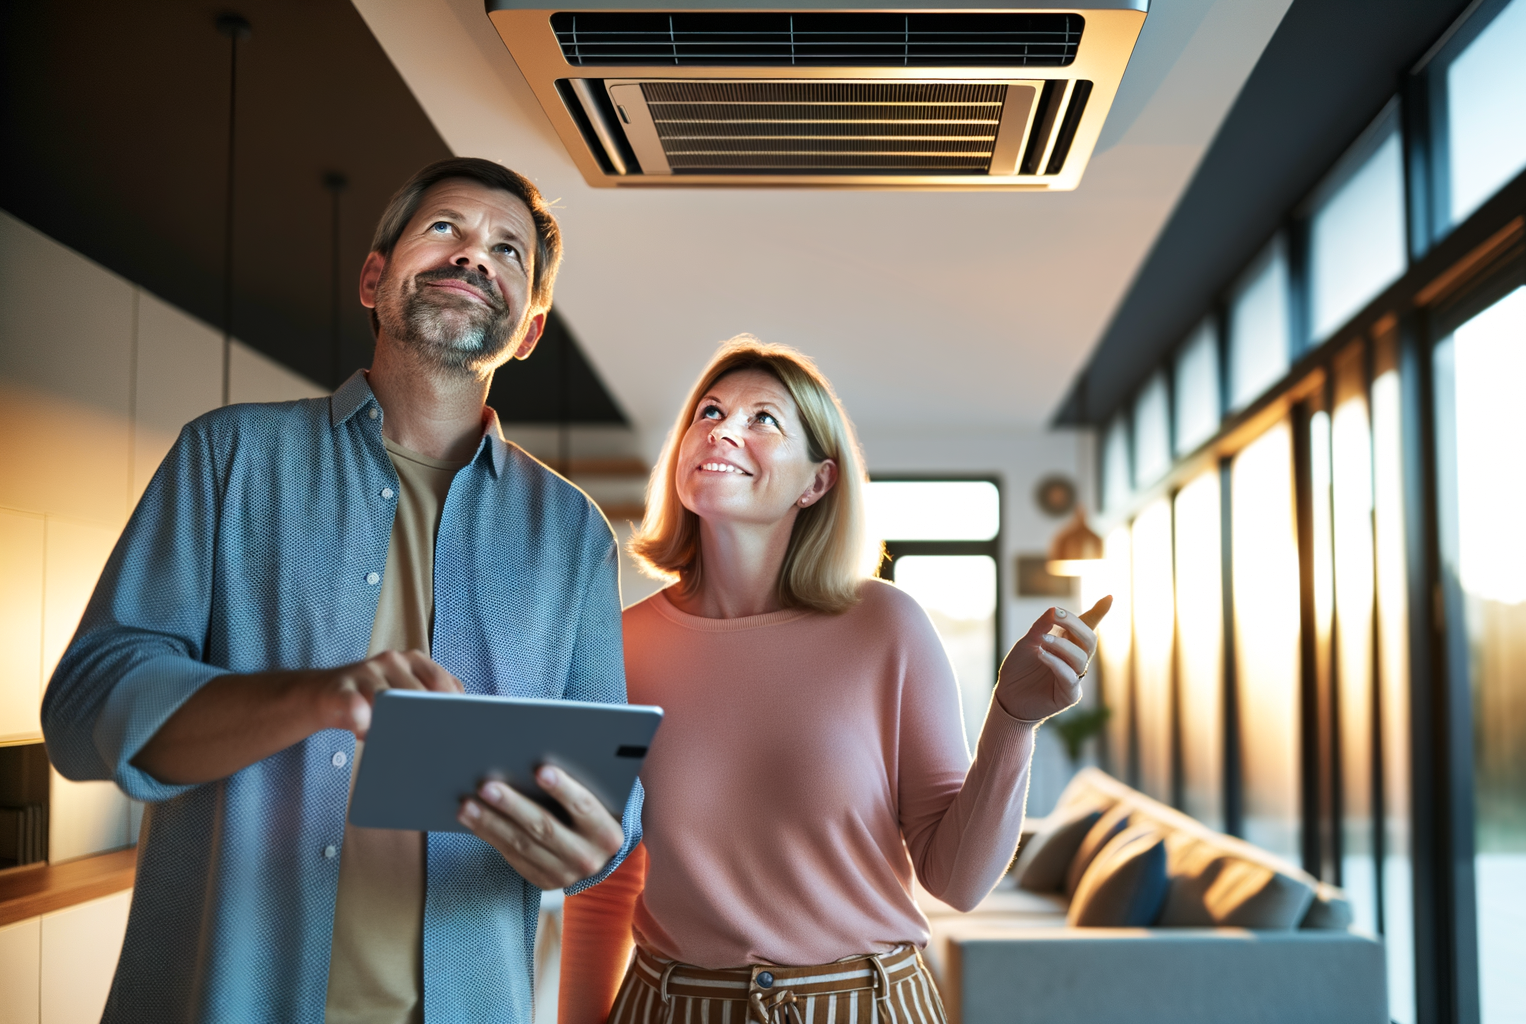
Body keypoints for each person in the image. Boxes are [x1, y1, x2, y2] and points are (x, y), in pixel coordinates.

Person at [41, 157, 640, 1024]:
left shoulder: (576, 532)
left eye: (508, 250)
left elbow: (604, 788)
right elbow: (87, 711)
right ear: (373, 278)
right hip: (228, 1000)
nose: (476, 255)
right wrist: (317, 696)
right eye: (446, 229)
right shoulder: (227, 458)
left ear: (530, 329)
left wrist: (594, 846)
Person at [559, 337, 1108, 1024]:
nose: (722, 428)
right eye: (709, 411)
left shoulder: (888, 625)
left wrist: (1013, 719)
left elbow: (957, 881)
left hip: (866, 1005)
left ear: (816, 482)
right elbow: (606, 880)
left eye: (764, 419)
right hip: (670, 1006)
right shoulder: (618, 643)